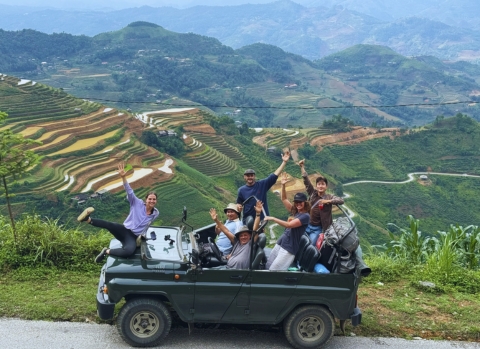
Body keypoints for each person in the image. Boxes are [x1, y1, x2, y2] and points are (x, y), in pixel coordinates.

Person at [77, 162, 159, 263]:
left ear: (156, 201)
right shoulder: (136, 203)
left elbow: (147, 226)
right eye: (150, 199)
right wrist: (123, 177)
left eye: (154, 199)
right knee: (109, 224)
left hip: (132, 237)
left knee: (129, 251)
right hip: (123, 230)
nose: (152, 201)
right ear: (146, 200)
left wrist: (142, 237)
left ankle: (106, 251)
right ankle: (88, 219)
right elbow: (129, 191)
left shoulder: (155, 214)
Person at [264, 184, 310, 271]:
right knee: (268, 266)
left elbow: (289, 225)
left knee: (274, 271)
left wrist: (273, 218)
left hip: (289, 248)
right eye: (296, 202)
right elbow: (284, 199)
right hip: (281, 243)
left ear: (305, 203)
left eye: (300, 202)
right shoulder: (296, 212)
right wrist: (283, 184)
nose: (298, 204)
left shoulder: (305, 216)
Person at [236, 150, 290, 224]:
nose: (250, 177)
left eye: (251, 175)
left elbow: (274, 175)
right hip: (248, 219)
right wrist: (238, 207)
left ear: (254, 176)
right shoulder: (241, 190)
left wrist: (284, 162)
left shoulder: (262, 184)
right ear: (244, 177)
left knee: (260, 235)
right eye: (248, 176)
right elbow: (239, 203)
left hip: (262, 219)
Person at [298, 159, 344, 244]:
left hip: (317, 228)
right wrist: (302, 167)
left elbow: (341, 200)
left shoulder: (329, 196)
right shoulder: (313, 193)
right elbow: (306, 181)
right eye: (319, 184)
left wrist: (328, 201)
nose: (320, 186)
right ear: (316, 186)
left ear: (326, 186)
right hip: (307, 224)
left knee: (311, 246)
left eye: (323, 184)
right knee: (298, 242)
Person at [209, 201, 263, 269]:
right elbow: (226, 231)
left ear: (250, 236)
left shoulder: (250, 244)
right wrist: (216, 220)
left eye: (245, 235)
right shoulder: (237, 242)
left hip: (235, 273)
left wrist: (258, 214)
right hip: (227, 267)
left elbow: (255, 230)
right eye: (241, 235)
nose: (243, 237)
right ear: (238, 237)